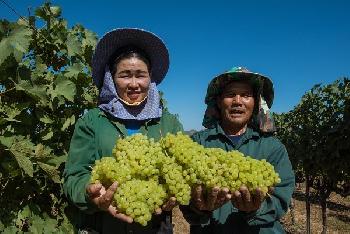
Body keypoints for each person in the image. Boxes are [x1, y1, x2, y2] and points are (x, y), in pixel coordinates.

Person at [63, 28, 182, 234]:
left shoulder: (168, 123)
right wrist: (89, 193)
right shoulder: (92, 121)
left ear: (150, 78)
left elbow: (182, 172)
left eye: (141, 75)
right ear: (111, 78)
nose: (134, 84)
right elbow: (73, 177)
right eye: (125, 75)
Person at [182, 67, 295, 233]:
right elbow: (185, 201)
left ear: (256, 102)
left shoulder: (273, 148)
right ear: (219, 102)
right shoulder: (197, 144)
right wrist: (198, 207)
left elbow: (281, 201)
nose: (237, 101)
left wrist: (257, 209)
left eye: (246, 95)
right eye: (230, 94)